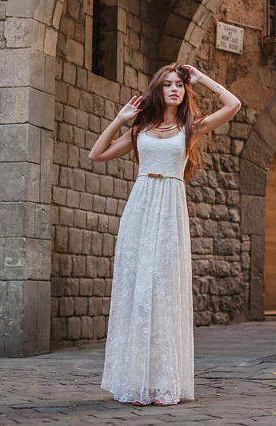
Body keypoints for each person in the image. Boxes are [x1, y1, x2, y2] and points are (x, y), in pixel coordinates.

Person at [89, 63, 241, 406]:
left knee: (163, 289)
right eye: (167, 84)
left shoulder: (190, 127)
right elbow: (96, 154)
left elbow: (233, 105)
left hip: (170, 209)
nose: (175, 89)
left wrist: (201, 79)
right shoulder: (140, 130)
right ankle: (136, 383)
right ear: (158, 90)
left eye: (179, 85)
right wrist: (120, 119)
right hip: (140, 210)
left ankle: (164, 384)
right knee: (138, 290)